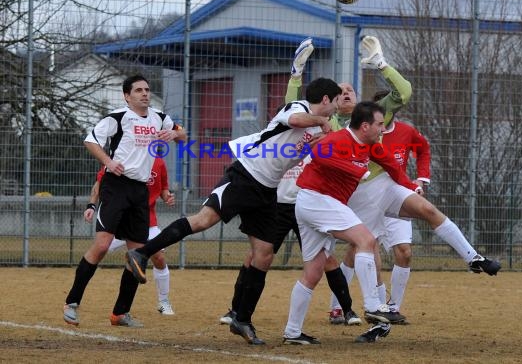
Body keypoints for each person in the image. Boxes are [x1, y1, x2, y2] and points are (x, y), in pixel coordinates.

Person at [289, 36, 501, 326]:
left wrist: (381, 64)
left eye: (351, 89)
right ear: (333, 102)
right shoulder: (333, 127)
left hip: (383, 186)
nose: (346, 93)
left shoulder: (371, 118)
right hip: (353, 196)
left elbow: (403, 93)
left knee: (426, 211)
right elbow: (300, 121)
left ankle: (472, 257)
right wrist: (296, 75)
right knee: (363, 249)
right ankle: (358, 306)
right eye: (341, 92)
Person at [126, 77, 341, 344]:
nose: (335, 110)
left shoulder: (316, 130)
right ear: (325, 100)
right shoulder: (297, 108)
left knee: (264, 255)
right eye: (335, 103)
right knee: (203, 220)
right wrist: (320, 122)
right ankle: (141, 253)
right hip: (245, 175)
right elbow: (295, 121)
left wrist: (325, 139)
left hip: (266, 190)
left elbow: (303, 148)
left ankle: (242, 319)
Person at [282, 101, 420, 345]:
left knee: (313, 272)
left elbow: (395, 170)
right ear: (365, 126)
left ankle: (292, 332)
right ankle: (373, 305)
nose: (382, 129)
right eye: (379, 124)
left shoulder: (371, 147)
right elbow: (318, 155)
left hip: (316, 203)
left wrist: (413, 187)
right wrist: (355, 170)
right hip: (317, 199)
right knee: (365, 240)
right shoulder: (339, 139)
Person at [63, 74, 187, 328]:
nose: (145, 93)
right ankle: (72, 303)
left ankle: (120, 313)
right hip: (116, 186)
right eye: (139, 90)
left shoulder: (159, 117)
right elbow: (90, 140)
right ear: (127, 96)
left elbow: (182, 134)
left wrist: (174, 136)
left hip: (140, 191)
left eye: (147, 89)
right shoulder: (118, 117)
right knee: (102, 245)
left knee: (137, 254)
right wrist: (108, 162)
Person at [219, 158, 362, 327]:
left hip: (306, 205)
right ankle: (235, 310)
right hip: (277, 206)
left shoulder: (317, 144)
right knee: (255, 256)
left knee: (326, 258)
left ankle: (348, 310)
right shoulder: (279, 144)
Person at [329, 89, 431, 324]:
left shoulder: (405, 131)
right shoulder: (361, 134)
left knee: (404, 251)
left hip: (395, 197)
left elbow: (423, 149)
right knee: (360, 249)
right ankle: (339, 306)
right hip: (368, 198)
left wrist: (421, 179)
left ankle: (392, 308)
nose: (382, 118)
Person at [84, 157, 177, 316]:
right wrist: (91, 205)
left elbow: (163, 190)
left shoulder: (159, 162)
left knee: (159, 258)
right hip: (119, 221)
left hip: (146, 222)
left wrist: (167, 196)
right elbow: (100, 182)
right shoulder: (122, 155)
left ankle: (163, 302)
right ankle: (76, 295)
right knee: (98, 251)